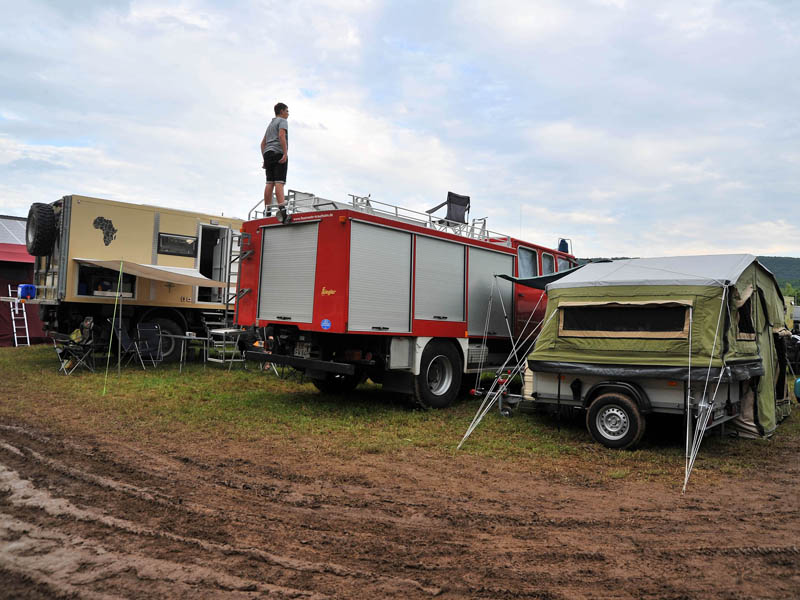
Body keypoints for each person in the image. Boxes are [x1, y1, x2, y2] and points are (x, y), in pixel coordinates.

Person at [261, 102, 289, 220]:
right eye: (287, 111)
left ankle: (267, 210)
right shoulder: (282, 121)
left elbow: (262, 143)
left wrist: (264, 159)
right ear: (281, 111)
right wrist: (285, 153)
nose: (288, 114)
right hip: (278, 153)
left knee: (269, 183)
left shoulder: (270, 124)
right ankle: (282, 209)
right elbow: (282, 136)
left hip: (267, 154)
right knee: (279, 182)